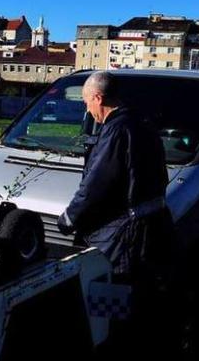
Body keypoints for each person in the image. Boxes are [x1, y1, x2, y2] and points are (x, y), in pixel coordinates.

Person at [56, 71, 173, 293]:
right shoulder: (142, 123)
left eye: (86, 102)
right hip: (152, 229)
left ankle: (115, 328)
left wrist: (69, 219)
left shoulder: (116, 130)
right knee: (142, 295)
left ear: (98, 98)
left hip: (123, 237)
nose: (87, 109)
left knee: (113, 299)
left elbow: (97, 184)